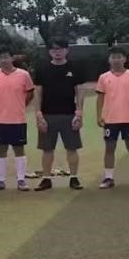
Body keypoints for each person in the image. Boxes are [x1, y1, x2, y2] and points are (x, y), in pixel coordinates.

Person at [33, 38, 84, 191]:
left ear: (67, 50)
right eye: (54, 49)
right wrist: (38, 114)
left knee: (72, 148)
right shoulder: (42, 69)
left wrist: (79, 112)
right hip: (47, 115)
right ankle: (46, 179)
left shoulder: (75, 68)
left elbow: (79, 92)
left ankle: (74, 178)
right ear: (49, 51)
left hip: (69, 114)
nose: (57, 52)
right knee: (47, 149)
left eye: (60, 48)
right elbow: (38, 92)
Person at [96, 46, 129, 189]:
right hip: (110, 120)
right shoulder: (103, 77)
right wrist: (99, 116)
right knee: (109, 148)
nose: (116, 60)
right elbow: (100, 98)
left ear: (125, 59)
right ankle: (108, 178)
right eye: (113, 57)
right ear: (109, 60)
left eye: (119, 57)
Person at [0, 50, 35, 192]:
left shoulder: (23, 75)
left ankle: (21, 180)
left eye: (6, 57)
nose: (3, 60)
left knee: (19, 149)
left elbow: (30, 93)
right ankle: (0, 181)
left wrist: (20, 105)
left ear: (12, 58)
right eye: (0, 58)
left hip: (17, 119)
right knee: (0, 150)